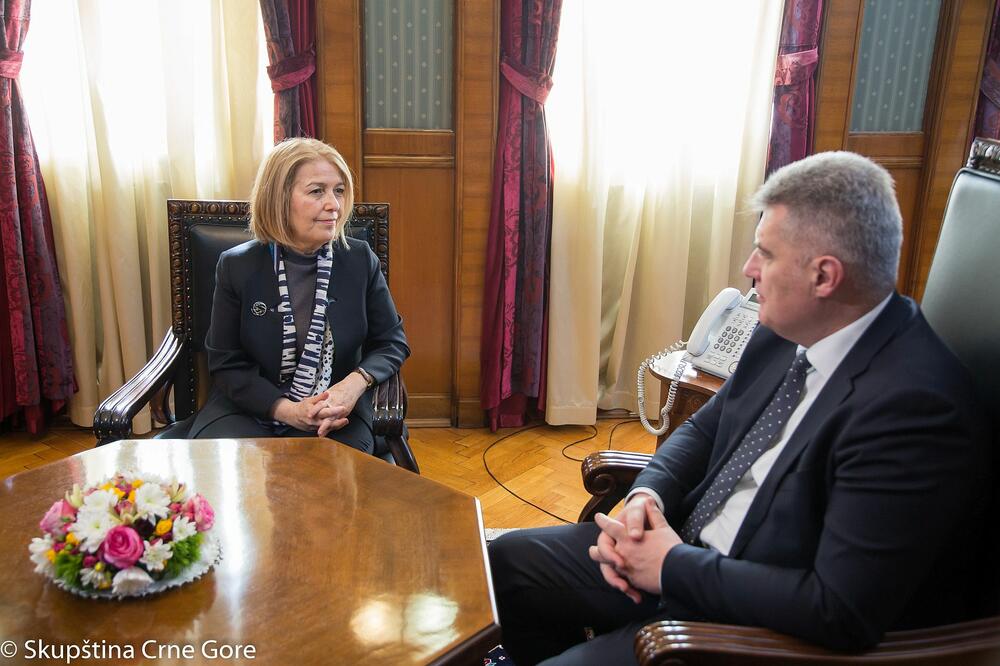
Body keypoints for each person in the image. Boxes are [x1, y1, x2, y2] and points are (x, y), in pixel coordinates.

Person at [489, 151, 992, 664]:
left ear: (825, 277)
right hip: (684, 558)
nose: (748, 270)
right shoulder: (785, 331)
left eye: (765, 255)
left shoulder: (914, 411)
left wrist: (671, 566)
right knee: (506, 564)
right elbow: (705, 430)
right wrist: (649, 497)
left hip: (756, 629)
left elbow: (838, 609)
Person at [189, 138, 409, 454]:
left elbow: (392, 341)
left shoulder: (359, 260)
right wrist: (288, 410)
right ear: (279, 199)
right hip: (248, 409)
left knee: (332, 481)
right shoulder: (237, 266)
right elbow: (225, 362)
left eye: (339, 190)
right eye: (317, 191)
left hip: (334, 414)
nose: (334, 204)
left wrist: (353, 385)